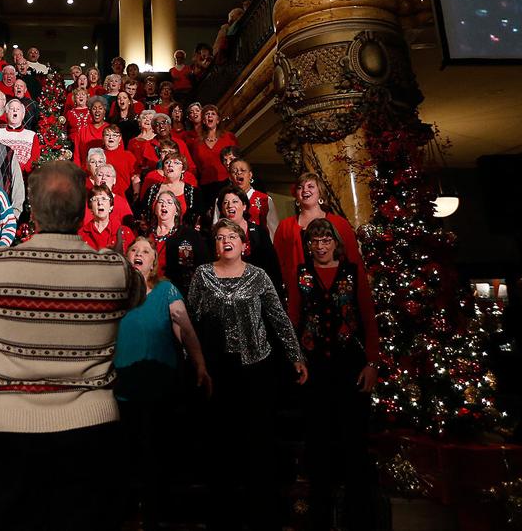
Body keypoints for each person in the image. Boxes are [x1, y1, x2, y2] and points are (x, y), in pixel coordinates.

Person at [0, 161, 145, 531]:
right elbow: (137, 293)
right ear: (81, 211)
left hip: (11, 427)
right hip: (92, 425)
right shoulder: (114, 270)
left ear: (33, 212)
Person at [189, 218, 308, 531]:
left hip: (256, 368)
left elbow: (278, 318)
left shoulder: (259, 276)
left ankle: (261, 513)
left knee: (257, 443)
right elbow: (191, 321)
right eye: (220, 237)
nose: (226, 241)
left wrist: (296, 356)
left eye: (232, 236)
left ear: (244, 244)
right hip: (217, 370)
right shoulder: (202, 275)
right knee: (220, 444)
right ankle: (222, 514)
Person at [288, 219, 380, 531]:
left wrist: (372, 363)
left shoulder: (353, 273)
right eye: (315, 241)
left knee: (353, 441)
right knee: (318, 441)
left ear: (334, 242)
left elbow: (367, 316)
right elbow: (294, 317)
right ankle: (320, 516)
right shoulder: (301, 274)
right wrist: (296, 359)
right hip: (314, 367)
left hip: (350, 365)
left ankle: (357, 516)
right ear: (309, 245)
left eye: (326, 240)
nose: (320, 246)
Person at [116, 236, 211, 528]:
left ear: (154, 262)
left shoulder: (166, 290)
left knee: (155, 452)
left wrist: (200, 364)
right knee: (124, 455)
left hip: (158, 385)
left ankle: (156, 513)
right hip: (122, 385)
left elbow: (185, 329)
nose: (139, 254)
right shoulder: (116, 291)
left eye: (145, 251)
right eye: (134, 250)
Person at [273, 171, 360, 279]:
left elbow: (354, 260)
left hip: (337, 285)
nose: (305, 190)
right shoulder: (285, 226)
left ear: (320, 192)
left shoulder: (340, 223)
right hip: (298, 288)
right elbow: (277, 261)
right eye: (300, 187)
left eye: (310, 186)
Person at [217, 184, 283, 299]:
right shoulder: (216, 235)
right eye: (225, 203)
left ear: (244, 206)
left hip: (258, 294)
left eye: (235, 202)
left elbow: (272, 268)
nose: (229, 206)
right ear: (222, 209)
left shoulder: (259, 232)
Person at [189, 104, 239, 213]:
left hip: (227, 183)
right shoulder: (197, 143)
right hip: (206, 187)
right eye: (207, 114)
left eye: (213, 114)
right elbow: (196, 165)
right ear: (203, 120)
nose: (209, 116)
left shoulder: (229, 137)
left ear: (218, 120)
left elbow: (238, 160)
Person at [227, 158, 280, 237]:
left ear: (250, 174)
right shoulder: (222, 200)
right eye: (234, 171)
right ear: (230, 177)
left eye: (243, 170)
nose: (238, 173)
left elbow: (274, 230)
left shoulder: (264, 200)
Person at [78, 185, 136, 252]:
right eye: (95, 199)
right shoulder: (81, 234)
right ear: (90, 208)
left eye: (104, 199)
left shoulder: (125, 233)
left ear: (111, 206)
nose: (100, 203)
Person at [0, 99, 41, 172]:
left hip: (23, 176)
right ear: (7, 114)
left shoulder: (31, 135)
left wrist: (20, 171)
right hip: (1, 175)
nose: (15, 110)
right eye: (11, 109)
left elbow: (35, 158)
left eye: (18, 109)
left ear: (23, 114)